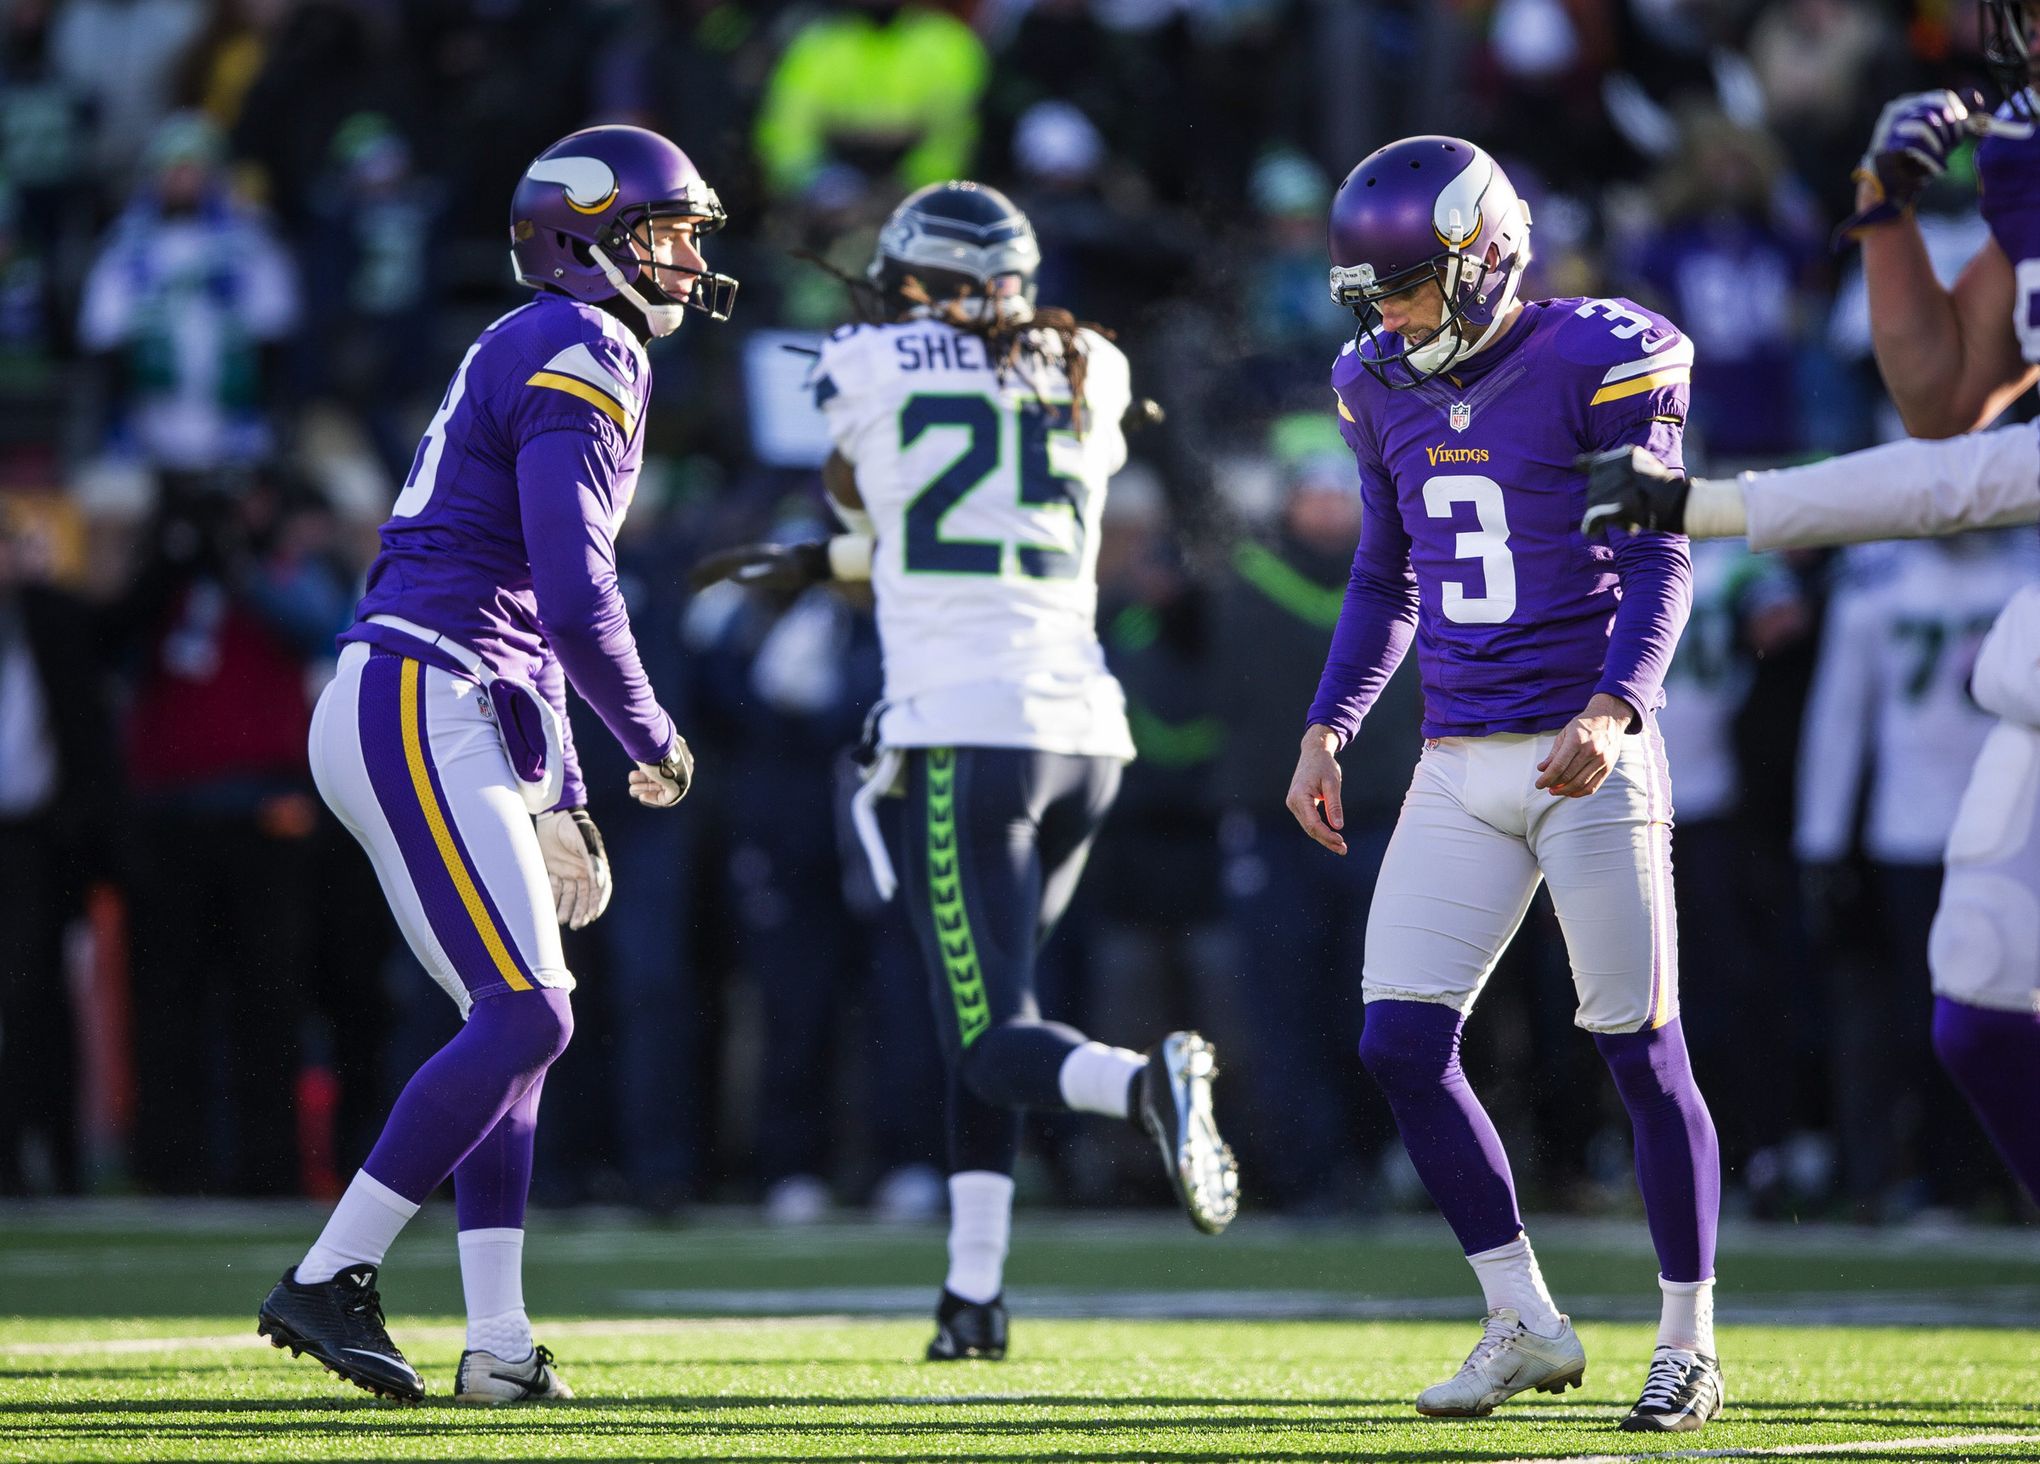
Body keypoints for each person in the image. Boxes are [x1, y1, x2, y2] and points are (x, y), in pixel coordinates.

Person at [691, 180, 1238, 1362]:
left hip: (965, 733)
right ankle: (973, 1294)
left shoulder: (868, 362)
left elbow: (868, 499)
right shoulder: (1089, 365)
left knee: (995, 1038)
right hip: (1084, 735)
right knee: (983, 1020)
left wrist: (814, 555)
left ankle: (1146, 1085)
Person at [256, 124, 732, 1405]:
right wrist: (655, 741)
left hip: (447, 691)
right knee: (532, 1012)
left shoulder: (552, 342)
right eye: (669, 230)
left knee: (516, 1025)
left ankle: (501, 1345)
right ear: (592, 234)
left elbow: (528, 608)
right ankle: (331, 1274)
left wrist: (567, 794)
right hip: (423, 690)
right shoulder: (588, 346)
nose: (689, 257)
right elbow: (577, 607)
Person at [1287, 136, 1722, 1432]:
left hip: (1587, 752)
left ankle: (1689, 1338)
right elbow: (1386, 570)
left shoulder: (1599, 355)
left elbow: (1661, 560)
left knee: (1638, 1049)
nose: (1390, 314)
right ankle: (1523, 1318)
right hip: (1458, 756)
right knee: (1401, 1042)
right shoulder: (1372, 383)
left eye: (1409, 285)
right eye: (1373, 291)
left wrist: (1615, 702)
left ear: (1484, 257)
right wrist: (1329, 726)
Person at [1579, 0, 2040, 1218]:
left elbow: (1969, 476)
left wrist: (1708, 507)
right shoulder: (2027, 151)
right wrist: (1885, 212)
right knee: (1978, 993)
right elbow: (1947, 409)